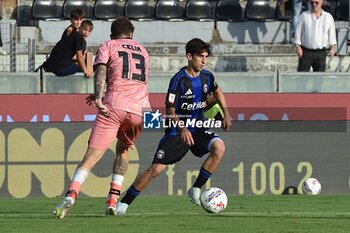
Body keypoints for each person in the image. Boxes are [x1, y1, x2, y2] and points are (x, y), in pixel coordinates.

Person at [114, 38, 232, 215]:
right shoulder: (178, 80)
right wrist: (182, 129)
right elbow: (169, 108)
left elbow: (217, 90)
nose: (204, 61)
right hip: (177, 131)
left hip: (198, 128)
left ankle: (196, 188)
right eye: (201, 57)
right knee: (156, 169)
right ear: (189, 56)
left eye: (206, 57)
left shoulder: (207, 76)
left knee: (219, 147)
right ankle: (123, 204)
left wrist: (226, 112)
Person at [52, 16, 150, 219]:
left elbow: (102, 71)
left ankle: (72, 194)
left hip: (113, 106)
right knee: (123, 150)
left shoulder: (109, 45)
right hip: (140, 110)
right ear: (131, 34)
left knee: (92, 156)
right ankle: (113, 200)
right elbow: (130, 80)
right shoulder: (143, 50)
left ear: (112, 34)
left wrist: (98, 97)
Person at [38, 12, 93, 78]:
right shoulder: (77, 37)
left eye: (80, 20)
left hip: (51, 65)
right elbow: (79, 57)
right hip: (60, 68)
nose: (86, 32)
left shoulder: (69, 30)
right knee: (81, 67)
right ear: (71, 20)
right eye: (76, 20)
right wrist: (86, 70)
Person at [293, 0, 336, 72]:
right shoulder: (304, 15)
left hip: (321, 52)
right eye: (312, 2)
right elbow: (298, 32)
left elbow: (332, 34)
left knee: (319, 78)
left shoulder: (328, 17)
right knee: (302, 77)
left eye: (316, 2)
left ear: (322, 2)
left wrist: (333, 47)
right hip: (306, 52)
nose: (314, 4)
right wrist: (298, 46)